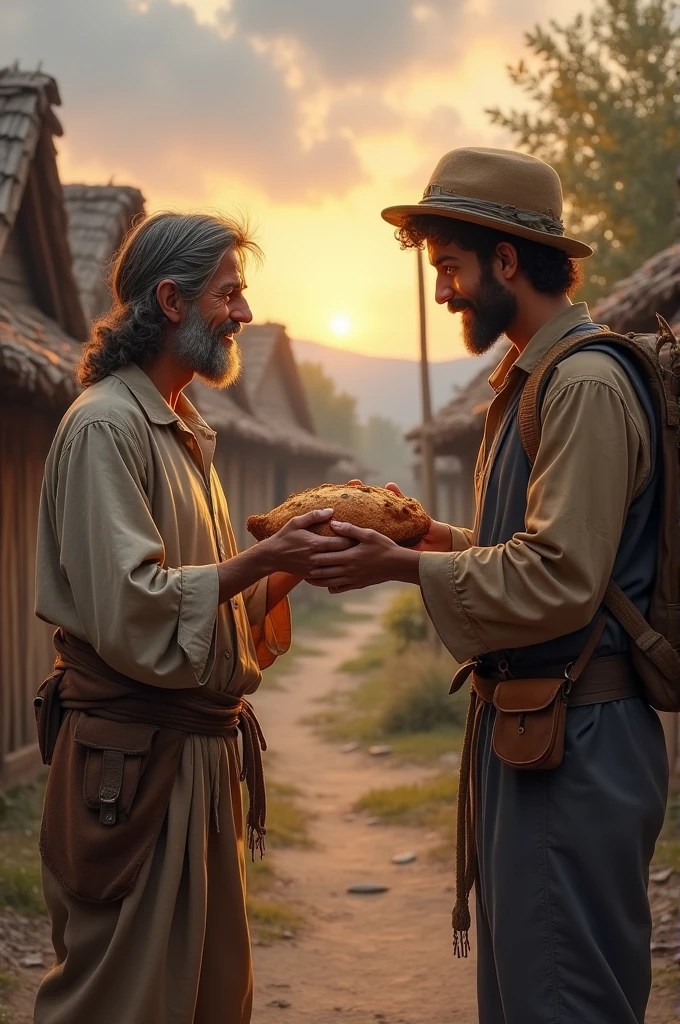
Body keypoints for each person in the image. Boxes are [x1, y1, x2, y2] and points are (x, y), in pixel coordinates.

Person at [307, 147, 669, 1024]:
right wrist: (436, 539)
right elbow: (534, 549)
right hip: (539, 734)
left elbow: (559, 579)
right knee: (528, 991)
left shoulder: (580, 384)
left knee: (563, 996)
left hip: (577, 742)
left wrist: (401, 566)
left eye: (451, 269)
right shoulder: (533, 382)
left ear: (507, 260)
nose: (442, 293)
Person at [33, 211, 350, 1024]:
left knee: (206, 995)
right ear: (170, 303)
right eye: (229, 293)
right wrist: (259, 561)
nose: (243, 313)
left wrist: (287, 572)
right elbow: (132, 605)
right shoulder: (108, 425)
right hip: (134, 767)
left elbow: (211, 607)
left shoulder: (181, 431)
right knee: (122, 998)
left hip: (196, 759)